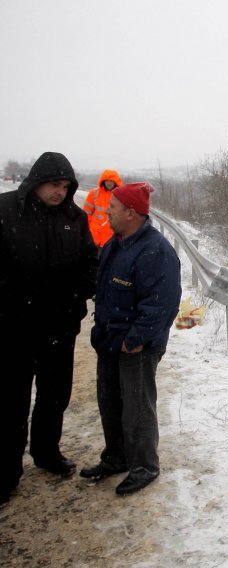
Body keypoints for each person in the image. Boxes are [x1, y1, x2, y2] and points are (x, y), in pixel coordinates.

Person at [0, 152, 98, 506]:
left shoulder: (74, 217)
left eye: (65, 186)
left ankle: (47, 452)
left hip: (60, 324)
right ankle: (6, 471)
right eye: (53, 184)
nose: (60, 191)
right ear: (36, 181)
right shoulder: (6, 210)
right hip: (14, 327)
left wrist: (76, 294)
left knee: (55, 393)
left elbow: (91, 262)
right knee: (11, 400)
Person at [82, 182, 181, 496]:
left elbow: (162, 303)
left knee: (137, 409)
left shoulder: (156, 250)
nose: (107, 211)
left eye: (112, 207)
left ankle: (144, 467)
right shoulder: (117, 242)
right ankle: (117, 457)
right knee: (110, 402)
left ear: (131, 213)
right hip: (110, 339)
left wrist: (135, 338)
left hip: (135, 345)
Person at [83, 169, 123, 247]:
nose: (108, 183)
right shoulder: (94, 193)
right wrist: (88, 229)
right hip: (94, 235)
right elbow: (86, 214)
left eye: (111, 180)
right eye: (106, 180)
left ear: (115, 181)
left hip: (111, 236)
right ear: (103, 181)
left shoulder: (121, 195)